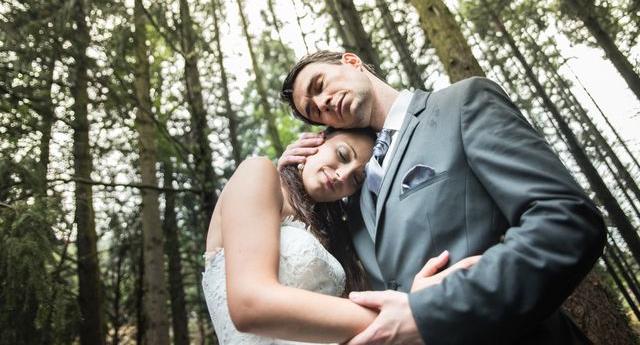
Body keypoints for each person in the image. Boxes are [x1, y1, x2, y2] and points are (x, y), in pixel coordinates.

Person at [279, 51, 607, 345]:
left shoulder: (461, 103)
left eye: (319, 85)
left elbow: (565, 220)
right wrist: (287, 181)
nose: (321, 104)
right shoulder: (352, 191)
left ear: (351, 62)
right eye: (313, 111)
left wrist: (428, 312)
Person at [202, 127, 479, 344]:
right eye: (343, 155)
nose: (343, 175)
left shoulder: (331, 237)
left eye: (357, 179)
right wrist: (410, 311)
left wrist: (411, 296)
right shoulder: (257, 172)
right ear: (315, 141)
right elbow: (251, 305)